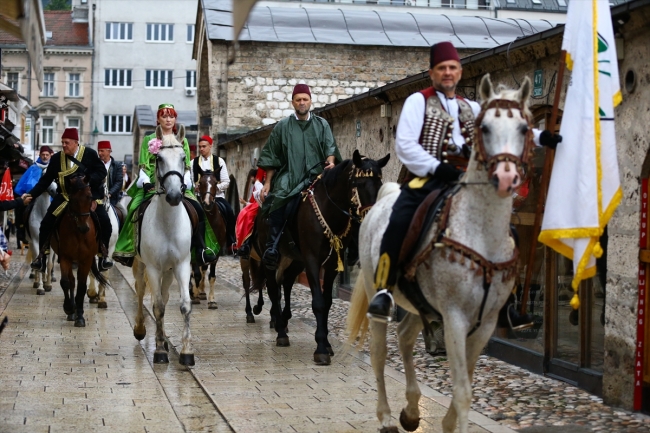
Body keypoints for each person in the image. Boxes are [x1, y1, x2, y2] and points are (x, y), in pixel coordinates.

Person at [366, 41, 563, 322]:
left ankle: (503, 300)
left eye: (453, 68)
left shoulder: (472, 106)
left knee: (507, 231)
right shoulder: (417, 101)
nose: (448, 73)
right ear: (432, 72)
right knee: (399, 221)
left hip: (467, 181)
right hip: (428, 179)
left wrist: (543, 137)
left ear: (459, 72)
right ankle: (384, 290)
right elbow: (406, 146)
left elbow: (503, 126)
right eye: (442, 68)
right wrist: (436, 167)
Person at [113, 103, 219, 267]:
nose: (168, 119)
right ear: (158, 119)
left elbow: (186, 167)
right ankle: (128, 249)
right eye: (164, 116)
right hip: (152, 185)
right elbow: (143, 165)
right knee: (133, 207)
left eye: (171, 116)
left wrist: (185, 182)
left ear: (175, 118)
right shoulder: (149, 140)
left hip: (177, 184)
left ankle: (201, 248)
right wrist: (146, 182)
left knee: (198, 208)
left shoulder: (180, 140)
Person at [257, 83, 342, 270]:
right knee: (278, 198)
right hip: (290, 176)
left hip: (317, 175)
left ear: (310, 101)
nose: (302, 102)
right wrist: (268, 182)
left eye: (305, 99)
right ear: (293, 102)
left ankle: (344, 245)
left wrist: (330, 163)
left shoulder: (322, 124)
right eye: (298, 100)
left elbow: (330, 148)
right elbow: (273, 156)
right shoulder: (282, 126)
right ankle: (272, 246)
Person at [26, 128, 114, 272]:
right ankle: (41, 257)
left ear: (75, 143)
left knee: (105, 222)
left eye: (67, 143)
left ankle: (103, 255)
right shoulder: (56, 159)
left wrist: (88, 181)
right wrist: (31, 194)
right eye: (62, 143)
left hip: (86, 198)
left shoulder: (89, 154)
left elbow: (101, 172)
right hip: (65, 197)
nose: (64, 145)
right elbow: (46, 180)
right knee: (46, 223)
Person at [192, 135, 237, 253]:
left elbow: (226, 182)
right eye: (200, 147)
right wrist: (195, 187)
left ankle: (231, 241)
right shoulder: (193, 162)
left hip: (216, 197)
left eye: (204, 146)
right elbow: (189, 181)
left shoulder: (219, 161)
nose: (201, 149)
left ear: (210, 146)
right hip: (198, 197)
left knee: (230, 212)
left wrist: (214, 189)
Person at [14, 145, 54, 249]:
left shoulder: (54, 168)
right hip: (34, 198)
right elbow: (22, 184)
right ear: (39, 155)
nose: (45, 157)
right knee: (20, 207)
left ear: (50, 155)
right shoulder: (33, 168)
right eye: (43, 155)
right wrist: (25, 193)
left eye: (47, 155)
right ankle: (21, 231)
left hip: (51, 198)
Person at [235, 168, 265, 259]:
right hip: (257, 203)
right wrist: (245, 203)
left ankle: (246, 242)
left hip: (262, 202)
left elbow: (260, 197)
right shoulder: (257, 183)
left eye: (251, 178)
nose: (251, 180)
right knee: (244, 213)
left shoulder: (257, 183)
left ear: (253, 177)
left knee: (247, 215)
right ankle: (245, 243)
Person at [97, 141, 124, 206]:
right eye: (98, 151)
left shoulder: (117, 166)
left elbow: (119, 182)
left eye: (102, 151)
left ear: (109, 151)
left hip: (112, 199)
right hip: (97, 198)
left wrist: (109, 193)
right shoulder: (95, 164)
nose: (99, 153)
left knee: (124, 213)